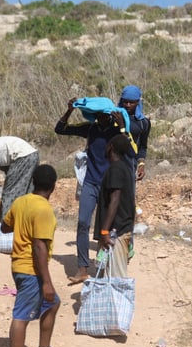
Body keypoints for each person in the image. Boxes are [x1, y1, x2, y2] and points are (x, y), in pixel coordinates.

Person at [0, 164, 74, 347]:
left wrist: (21, 222)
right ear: (53, 186)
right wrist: (47, 283)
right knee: (21, 316)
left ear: (32, 181)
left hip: (20, 267)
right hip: (31, 270)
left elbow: (5, 227)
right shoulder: (43, 210)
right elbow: (39, 247)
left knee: (52, 304)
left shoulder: (21, 202)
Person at [54, 97, 136, 284]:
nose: (101, 119)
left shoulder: (117, 132)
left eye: (104, 115)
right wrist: (69, 111)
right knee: (83, 223)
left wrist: (123, 128)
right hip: (90, 182)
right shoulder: (90, 129)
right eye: (97, 115)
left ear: (110, 116)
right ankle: (83, 268)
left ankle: (105, 268)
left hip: (110, 185)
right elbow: (60, 129)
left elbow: (131, 153)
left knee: (106, 228)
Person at [96, 134, 136, 277]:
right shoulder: (124, 168)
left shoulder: (116, 169)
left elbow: (115, 200)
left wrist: (105, 231)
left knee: (116, 279)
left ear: (110, 147)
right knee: (109, 276)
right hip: (121, 229)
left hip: (116, 232)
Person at [118, 85, 151, 184]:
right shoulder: (114, 118)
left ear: (138, 102)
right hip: (110, 166)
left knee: (127, 198)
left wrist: (141, 164)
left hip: (130, 166)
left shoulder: (143, 123)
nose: (128, 105)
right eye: (125, 102)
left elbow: (142, 146)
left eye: (131, 102)